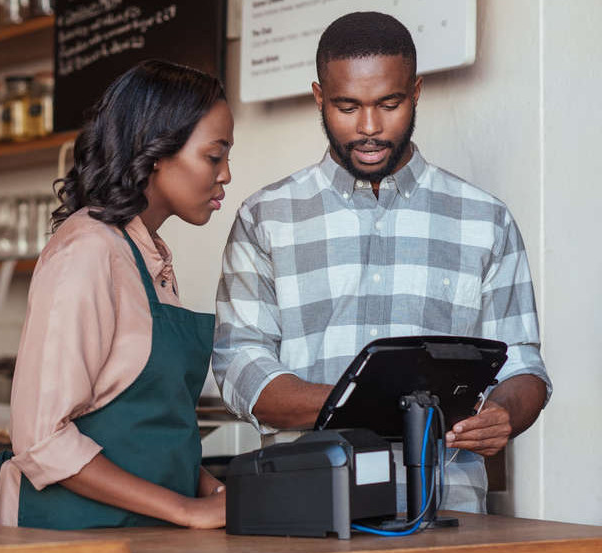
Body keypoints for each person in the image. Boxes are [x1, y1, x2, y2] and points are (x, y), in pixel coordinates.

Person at [213, 12, 551, 514]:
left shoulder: (485, 220)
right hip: (304, 511)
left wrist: (504, 411)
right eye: (346, 107)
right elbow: (240, 364)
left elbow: (524, 366)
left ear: (415, 92)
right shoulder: (265, 218)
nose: (369, 128)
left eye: (388, 104)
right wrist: (368, 402)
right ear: (318, 97)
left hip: (446, 514)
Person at [0, 59, 234, 529]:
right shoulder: (88, 250)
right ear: (157, 151)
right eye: (214, 156)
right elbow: (42, 438)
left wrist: (204, 484)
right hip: (67, 534)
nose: (226, 175)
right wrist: (186, 510)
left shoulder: (146, 256)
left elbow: (140, 428)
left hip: (141, 533)